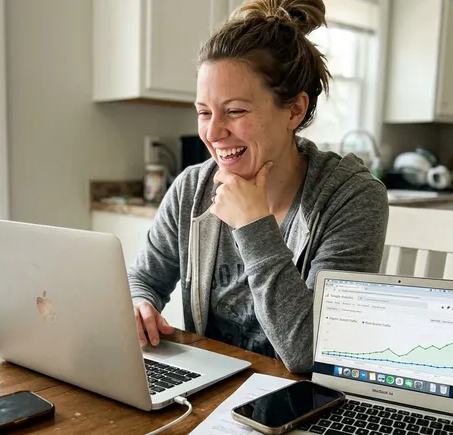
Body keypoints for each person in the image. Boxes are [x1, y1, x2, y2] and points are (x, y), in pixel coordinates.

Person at [129, 0, 389, 374]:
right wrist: (140, 302)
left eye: (234, 111)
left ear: (295, 111)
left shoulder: (351, 197)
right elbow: (143, 278)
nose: (214, 132)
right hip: (211, 391)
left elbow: (310, 353)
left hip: (302, 406)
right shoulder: (191, 189)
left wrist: (254, 226)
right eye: (204, 112)